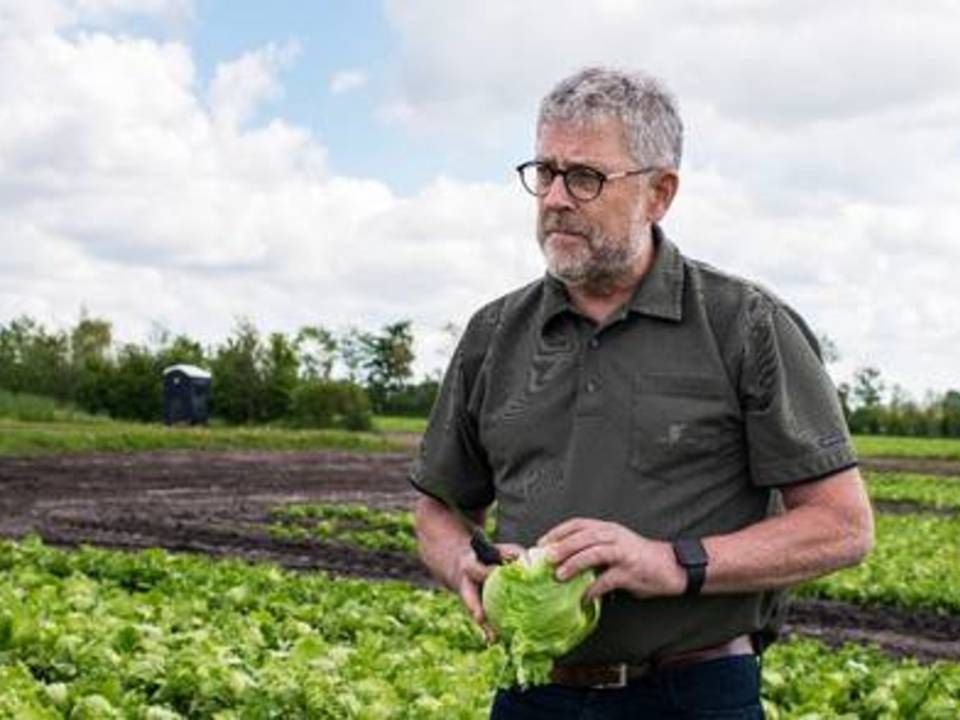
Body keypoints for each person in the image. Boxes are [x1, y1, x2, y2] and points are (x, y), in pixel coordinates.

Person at [410, 67, 874, 719]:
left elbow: (842, 526)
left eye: (586, 177)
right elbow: (437, 509)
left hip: (694, 693)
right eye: (544, 172)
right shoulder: (494, 333)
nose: (555, 199)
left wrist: (671, 562)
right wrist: (463, 562)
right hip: (534, 692)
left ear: (659, 193)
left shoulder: (745, 324)